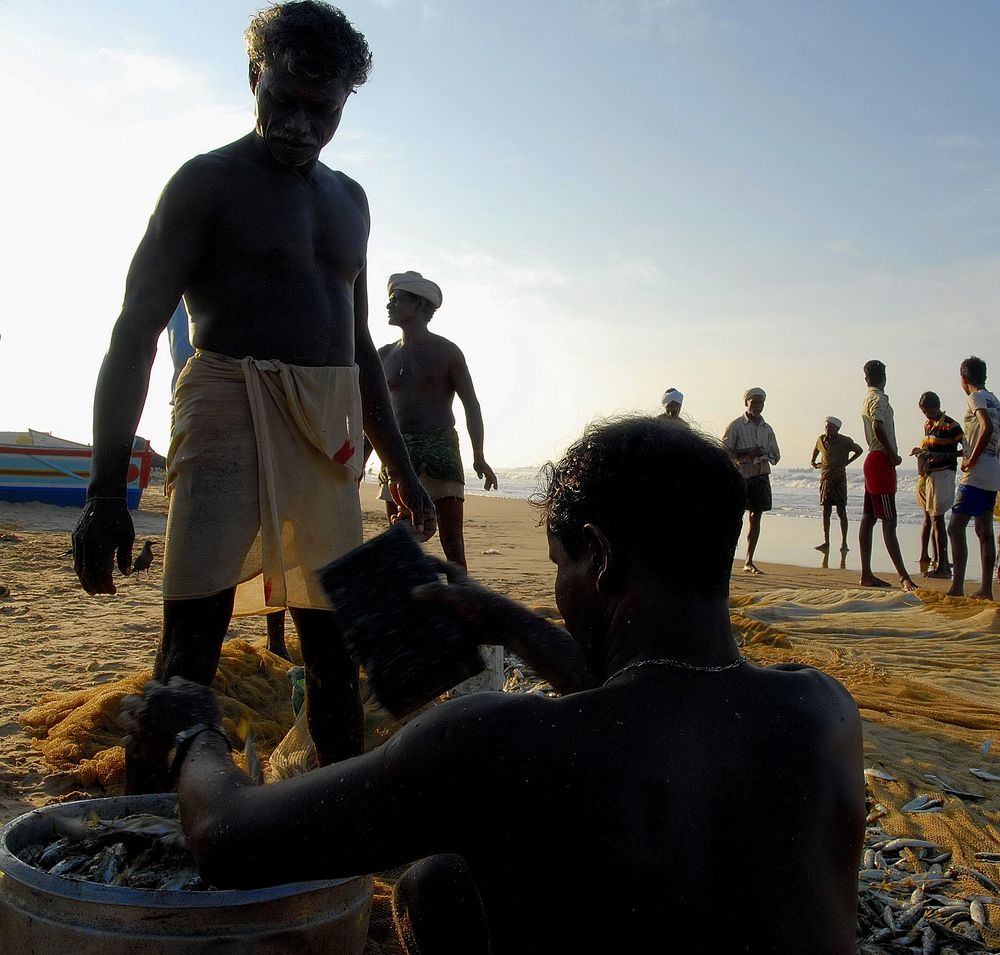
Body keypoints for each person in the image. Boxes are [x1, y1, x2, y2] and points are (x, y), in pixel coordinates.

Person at [122, 417, 864, 955]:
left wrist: (194, 732)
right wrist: (512, 623)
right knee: (442, 882)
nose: (560, 589)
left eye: (559, 564)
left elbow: (224, 839)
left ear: (599, 557)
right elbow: (648, 707)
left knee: (437, 876)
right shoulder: (823, 711)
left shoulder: (496, 746)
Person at [72, 1, 436, 792]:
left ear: (344, 104)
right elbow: (133, 336)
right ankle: (148, 837)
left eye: (323, 109)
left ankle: (331, 842)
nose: (301, 125)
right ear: (252, 78)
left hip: (328, 428)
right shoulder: (205, 184)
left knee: (338, 645)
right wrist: (105, 489)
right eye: (285, 100)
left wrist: (401, 468)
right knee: (188, 650)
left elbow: (356, 348)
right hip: (226, 403)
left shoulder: (352, 200)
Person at [370, 271, 502, 693]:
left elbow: (472, 404)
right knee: (401, 540)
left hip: (441, 449)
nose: (390, 305)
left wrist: (480, 456)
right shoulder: (383, 354)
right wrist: (363, 458)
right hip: (398, 452)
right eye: (389, 299)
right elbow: (374, 415)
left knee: (452, 543)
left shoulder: (447, 353)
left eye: (399, 300)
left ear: (422, 307)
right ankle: (410, 624)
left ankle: (462, 618)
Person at [169, 300, 291, 660]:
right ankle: (189, 653)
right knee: (206, 554)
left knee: (278, 535)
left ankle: (276, 637)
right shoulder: (189, 299)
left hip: (272, 397)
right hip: (205, 406)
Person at [858, 360, 917, 592]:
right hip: (881, 459)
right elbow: (878, 425)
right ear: (884, 376)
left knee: (869, 517)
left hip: (874, 459)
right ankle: (904, 577)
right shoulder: (879, 399)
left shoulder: (868, 398)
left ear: (866, 378)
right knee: (889, 521)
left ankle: (866, 573)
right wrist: (893, 454)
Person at [947, 356, 1000, 601]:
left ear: (964, 379)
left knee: (956, 526)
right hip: (993, 468)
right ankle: (985, 589)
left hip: (978, 470)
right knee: (983, 528)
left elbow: (986, 426)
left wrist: (970, 459)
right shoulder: (995, 400)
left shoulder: (975, 397)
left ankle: (957, 585)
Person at [722, 387, 780, 575]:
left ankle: (749, 560)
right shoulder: (736, 426)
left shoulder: (767, 428)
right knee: (734, 518)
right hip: (741, 476)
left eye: (761, 402)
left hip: (761, 475)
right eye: (754, 402)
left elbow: (776, 455)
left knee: (756, 518)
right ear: (746, 402)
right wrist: (747, 452)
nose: (757, 406)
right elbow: (725, 452)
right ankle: (728, 557)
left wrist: (764, 453)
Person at [910, 391, 963, 580]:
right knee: (933, 518)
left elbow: (966, 450)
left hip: (945, 473)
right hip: (931, 473)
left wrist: (946, 456)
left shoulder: (951, 425)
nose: (927, 415)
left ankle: (943, 566)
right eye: (924, 412)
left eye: (929, 411)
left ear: (937, 407)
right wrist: (922, 452)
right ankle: (940, 561)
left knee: (938, 518)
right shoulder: (929, 425)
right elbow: (931, 447)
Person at [810, 416, 862, 554]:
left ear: (837, 429)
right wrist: (813, 461)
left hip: (839, 478)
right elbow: (816, 448)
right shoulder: (821, 439)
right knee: (826, 511)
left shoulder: (845, 441)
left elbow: (859, 450)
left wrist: (847, 462)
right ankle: (826, 542)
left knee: (841, 511)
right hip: (825, 477)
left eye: (831, 427)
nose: (828, 429)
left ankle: (844, 542)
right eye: (826, 427)